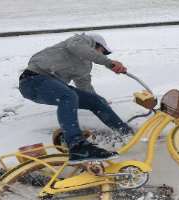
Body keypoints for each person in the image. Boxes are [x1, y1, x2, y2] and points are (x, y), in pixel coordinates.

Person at [19, 32, 133, 164]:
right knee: (68, 96)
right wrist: (108, 63)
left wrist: (100, 102)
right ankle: (77, 145)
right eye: (103, 52)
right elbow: (79, 48)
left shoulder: (84, 67)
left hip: (51, 87)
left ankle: (126, 133)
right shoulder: (80, 40)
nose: (102, 55)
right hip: (33, 80)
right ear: (96, 44)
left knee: (95, 101)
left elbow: (85, 87)